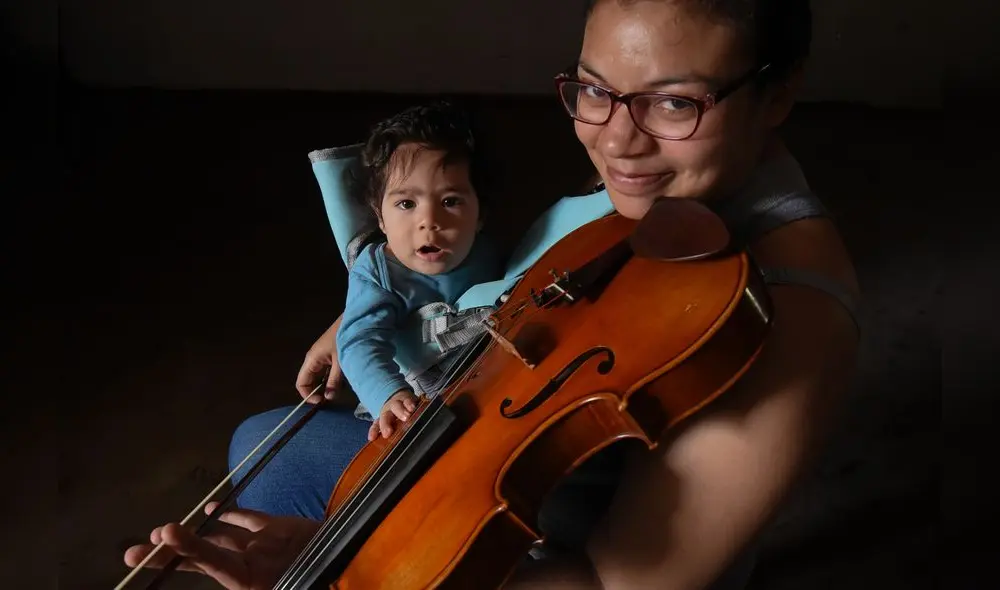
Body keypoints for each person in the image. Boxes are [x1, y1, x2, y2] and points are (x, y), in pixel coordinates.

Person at [124, 0, 861, 588]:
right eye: (596, 89)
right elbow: (522, 278)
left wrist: (366, 569)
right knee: (264, 445)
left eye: (674, 105)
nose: (615, 142)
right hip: (527, 449)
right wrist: (360, 314)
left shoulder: (791, 317)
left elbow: (610, 579)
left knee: (265, 459)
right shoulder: (661, 185)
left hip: (560, 547)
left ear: (779, 92)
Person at [332, 101, 501, 442]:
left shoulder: (483, 249)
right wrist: (388, 396)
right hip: (416, 397)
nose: (429, 222)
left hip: (486, 378)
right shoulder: (377, 273)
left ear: (480, 214)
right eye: (406, 204)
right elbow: (358, 343)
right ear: (379, 217)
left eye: (450, 201)